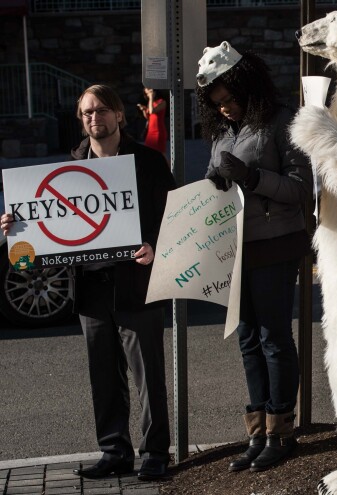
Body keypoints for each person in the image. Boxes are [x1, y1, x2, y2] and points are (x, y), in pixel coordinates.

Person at [1, 84, 175, 481]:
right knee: (103, 375)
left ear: (118, 115)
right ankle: (114, 451)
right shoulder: (71, 164)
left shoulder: (147, 162)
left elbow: (174, 214)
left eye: (100, 110)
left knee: (148, 372)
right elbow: (45, 226)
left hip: (136, 282)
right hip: (90, 288)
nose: (93, 118)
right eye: (86, 113)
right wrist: (16, 227)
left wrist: (155, 245)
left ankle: (154, 453)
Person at [194, 42, 312, 473]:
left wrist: (251, 177)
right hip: (236, 246)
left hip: (276, 243)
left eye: (230, 99)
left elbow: (301, 190)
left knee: (273, 337)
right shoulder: (224, 132)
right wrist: (216, 181)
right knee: (248, 339)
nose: (224, 109)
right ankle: (258, 431)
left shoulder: (282, 122)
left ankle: (282, 430)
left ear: (248, 86)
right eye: (217, 103)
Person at [137, 87, 168, 157]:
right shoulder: (151, 103)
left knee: (160, 154)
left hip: (158, 131)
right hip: (150, 132)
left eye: (149, 93)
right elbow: (148, 117)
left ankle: (166, 167)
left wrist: (151, 98)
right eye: (147, 94)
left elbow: (152, 111)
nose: (148, 95)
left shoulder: (162, 102)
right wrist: (144, 110)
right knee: (148, 153)